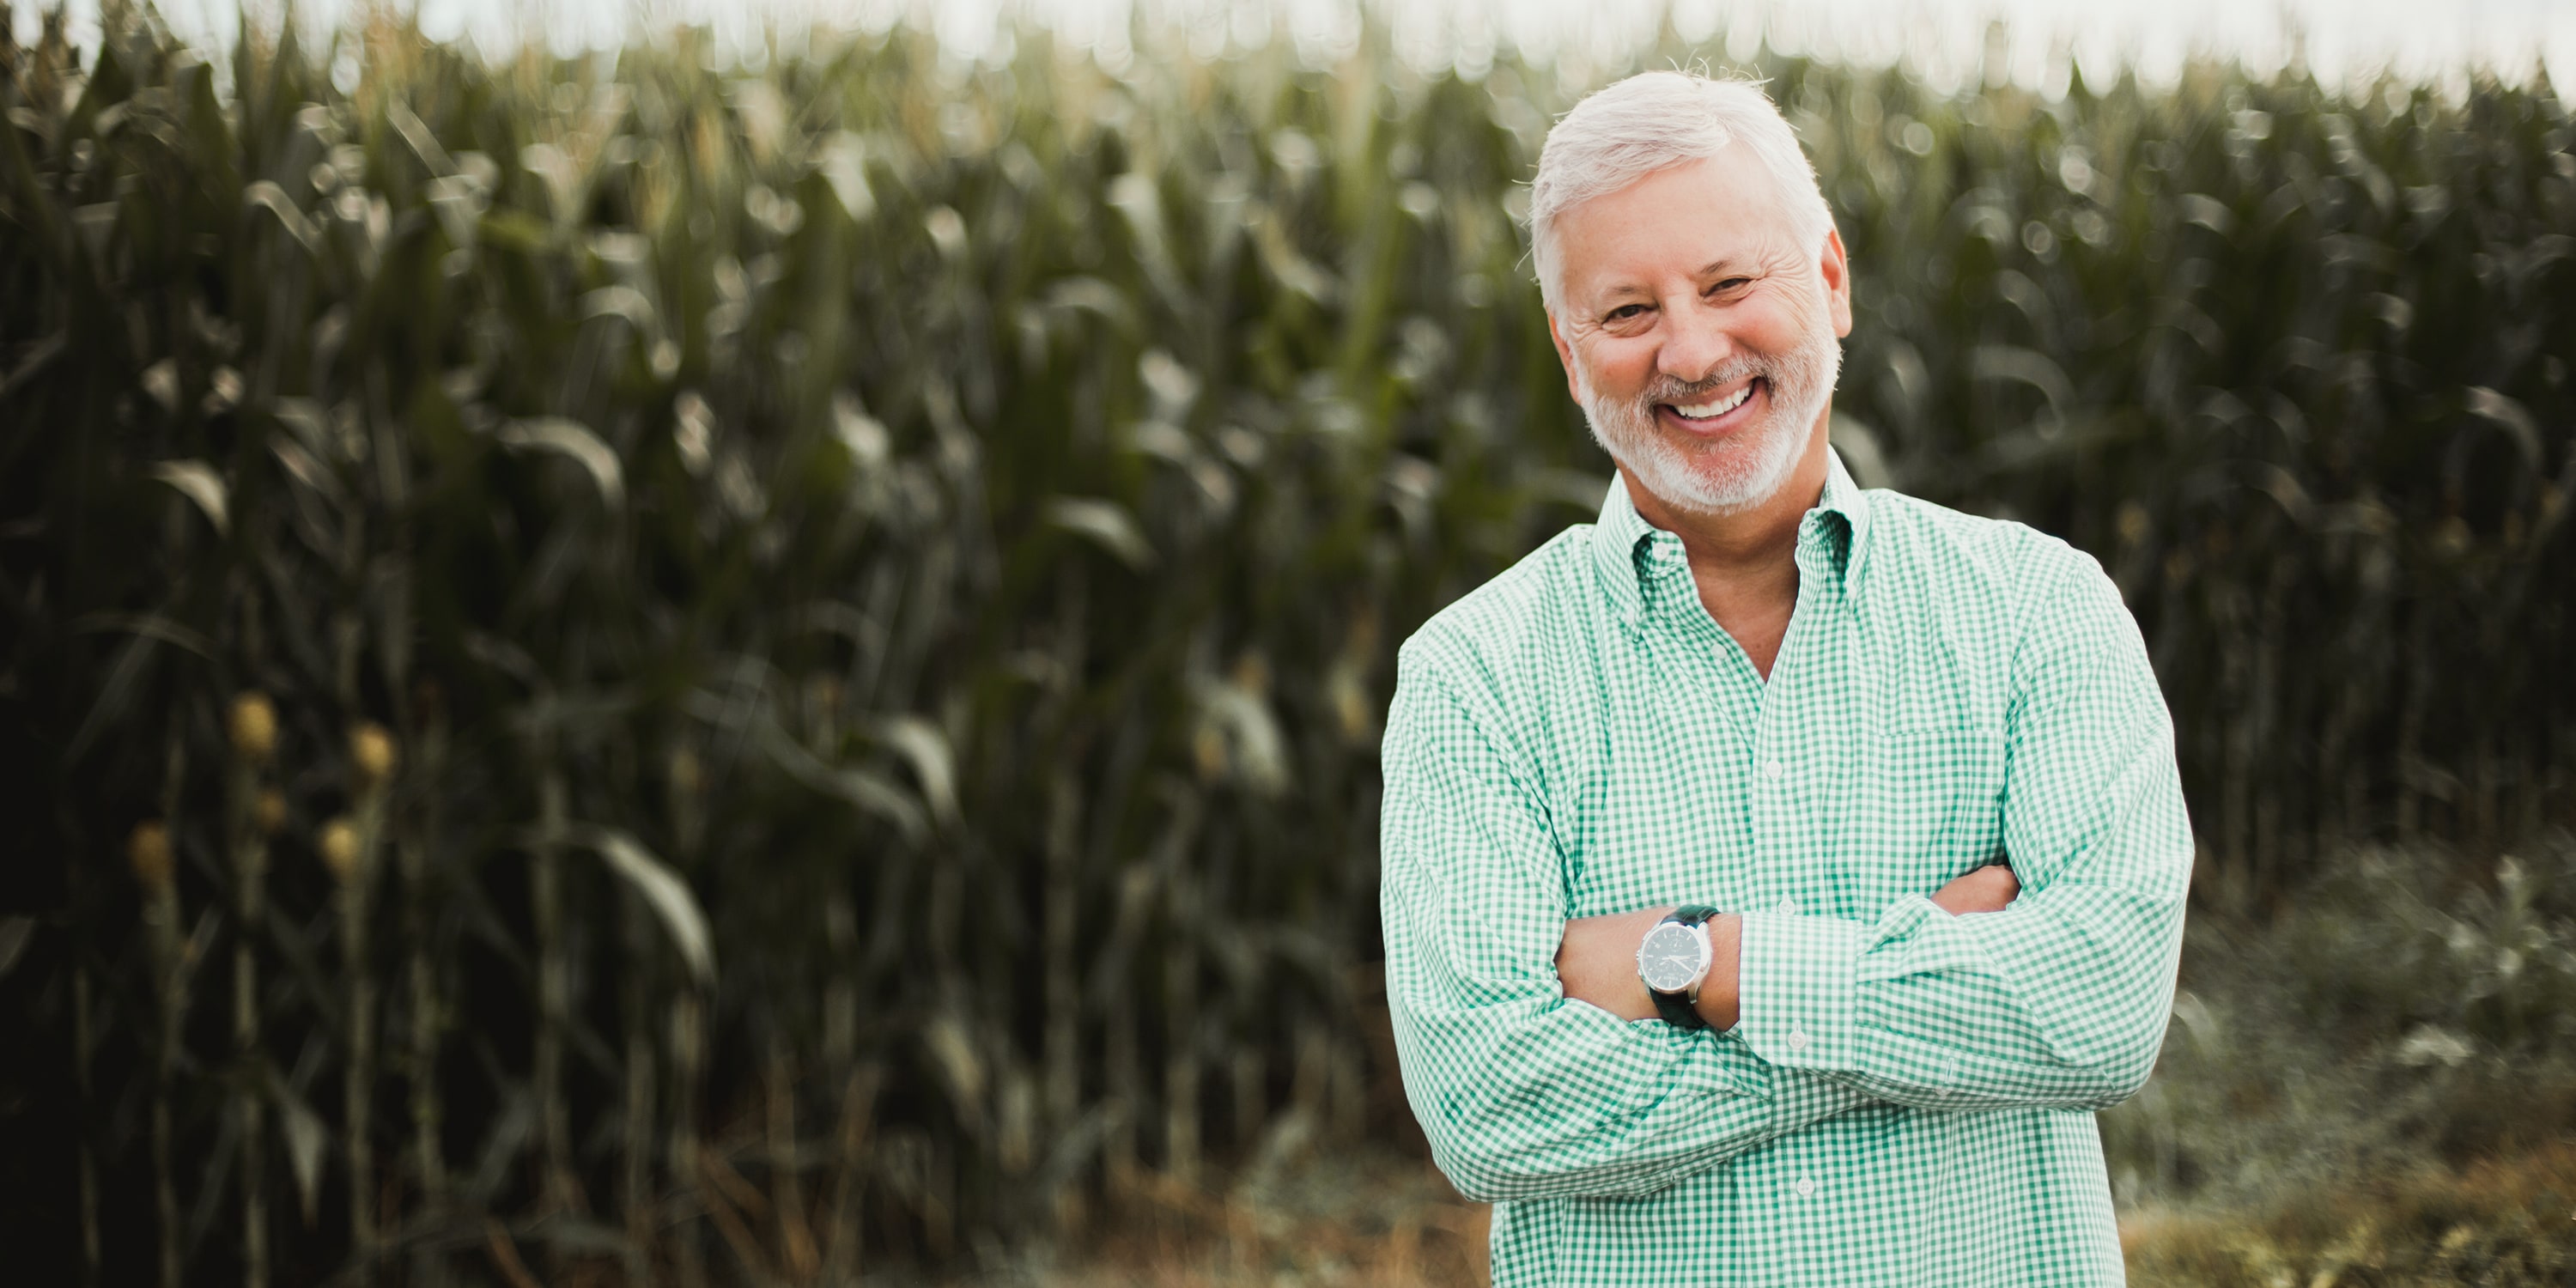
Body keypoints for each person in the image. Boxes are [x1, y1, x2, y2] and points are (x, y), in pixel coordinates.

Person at [1377, 70, 2190, 1285]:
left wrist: (1700, 967)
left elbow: (2104, 1008)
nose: (1693, 351)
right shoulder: (1474, 680)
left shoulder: (2037, 611)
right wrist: (1917, 996)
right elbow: (1487, 1104)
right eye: (1627, 312)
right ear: (1568, 353)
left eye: (1729, 282)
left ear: (1832, 280)